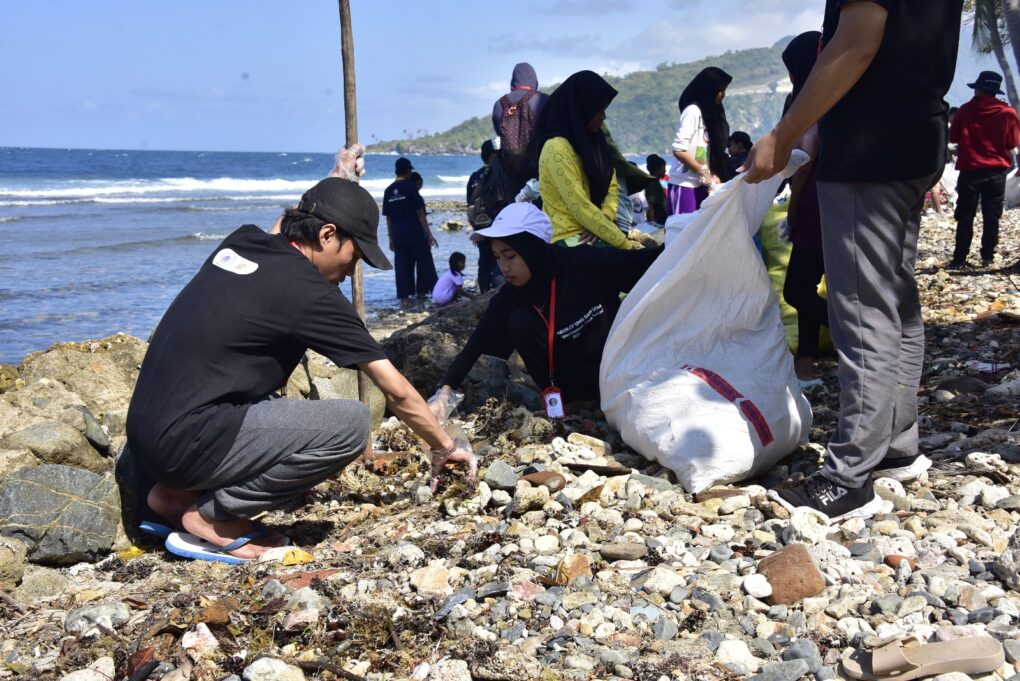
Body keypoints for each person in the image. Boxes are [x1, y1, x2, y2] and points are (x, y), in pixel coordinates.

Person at [126, 176, 477, 563]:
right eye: (355, 256)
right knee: (353, 424)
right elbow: (393, 388)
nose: (351, 271)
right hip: (185, 444)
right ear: (327, 234)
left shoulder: (244, 240)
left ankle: (171, 495)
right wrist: (444, 446)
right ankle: (212, 517)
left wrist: (338, 174)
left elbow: (289, 219)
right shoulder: (310, 293)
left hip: (145, 438)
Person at [743, 0, 963, 521]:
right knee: (895, 299)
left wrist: (785, 133)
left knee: (863, 311)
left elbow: (857, 40)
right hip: (918, 138)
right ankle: (895, 444)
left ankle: (848, 476)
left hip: (871, 147)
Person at [437, 203, 662, 411]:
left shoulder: (583, 261)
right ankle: (566, 402)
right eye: (497, 257)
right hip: (571, 386)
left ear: (532, 248)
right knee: (519, 322)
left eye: (510, 256)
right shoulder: (510, 296)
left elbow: (647, 264)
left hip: (620, 366)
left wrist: (692, 237)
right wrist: (443, 395)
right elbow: (473, 349)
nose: (503, 268)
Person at [778, 31, 827, 388]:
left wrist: (792, 215)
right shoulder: (841, 89)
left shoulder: (810, 99)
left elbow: (804, 160)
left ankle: (857, 335)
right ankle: (805, 368)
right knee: (813, 286)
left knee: (796, 289)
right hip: (841, 198)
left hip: (814, 203)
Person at [536, 70, 633, 249]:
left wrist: (605, 216)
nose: (603, 116)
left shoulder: (594, 142)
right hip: (568, 236)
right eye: (598, 110)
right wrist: (626, 245)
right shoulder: (556, 147)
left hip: (597, 227)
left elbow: (612, 185)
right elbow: (579, 206)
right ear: (582, 108)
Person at [948, 70, 1020, 269]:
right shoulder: (1008, 113)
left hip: (969, 170)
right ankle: (987, 257)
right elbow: (1013, 142)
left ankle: (959, 259)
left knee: (965, 216)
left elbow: (953, 137)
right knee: (991, 216)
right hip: (996, 172)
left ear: (978, 89)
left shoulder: (964, 111)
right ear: (995, 91)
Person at [667, 67, 734, 215]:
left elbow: (704, 151)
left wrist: (711, 174)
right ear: (709, 89)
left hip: (700, 183)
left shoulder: (709, 115)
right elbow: (679, 150)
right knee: (683, 231)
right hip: (685, 184)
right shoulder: (692, 112)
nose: (723, 95)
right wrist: (704, 173)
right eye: (721, 90)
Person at [383, 157, 439, 308]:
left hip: (398, 235)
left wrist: (390, 238)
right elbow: (420, 213)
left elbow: (388, 218)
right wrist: (429, 234)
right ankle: (438, 293)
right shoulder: (411, 188)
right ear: (408, 171)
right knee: (426, 265)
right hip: (415, 234)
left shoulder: (388, 191)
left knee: (402, 267)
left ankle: (405, 298)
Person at [493, 63, 551, 196]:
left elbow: (498, 132)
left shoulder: (499, 104)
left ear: (512, 82)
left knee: (517, 210)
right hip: (538, 171)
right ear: (534, 81)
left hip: (510, 173)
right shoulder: (542, 99)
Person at [466, 140, 504, 292]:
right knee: (499, 261)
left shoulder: (474, 177)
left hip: (481, 227)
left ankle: (483, 293)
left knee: (484, 262)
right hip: (497, 226)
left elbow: (469, 204)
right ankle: (498, 293)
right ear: (493, 155)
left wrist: (475, 227)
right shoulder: (499, 173)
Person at [644, 154, 669, 225]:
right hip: (659, 219)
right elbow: (650, 205)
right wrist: (652, 222)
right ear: (657, 169)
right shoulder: (652, 184)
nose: (665, 170)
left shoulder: (655, 182)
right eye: (663, 168)